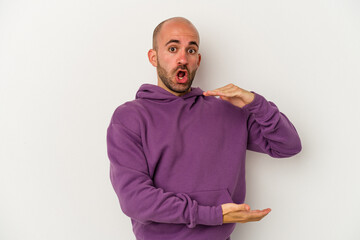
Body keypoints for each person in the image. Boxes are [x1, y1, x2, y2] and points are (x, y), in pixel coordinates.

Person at [107, 17, 302, 240]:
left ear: (198, 60)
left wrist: (255, 103)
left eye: (191, 51)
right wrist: (212, 215)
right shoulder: (130, 117)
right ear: (154, 57)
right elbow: (135, 200)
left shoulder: (226, 111)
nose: (182, 58)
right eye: (173, 48)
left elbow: (288, 146)